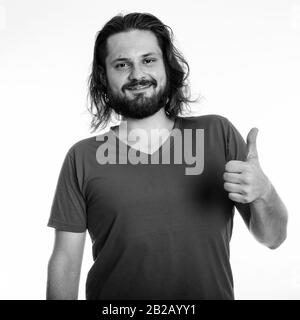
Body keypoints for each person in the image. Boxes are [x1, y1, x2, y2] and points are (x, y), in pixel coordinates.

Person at [46, 12, 288, 300]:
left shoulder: (217, 134)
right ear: (103, 77)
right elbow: (65, 263)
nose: (137, 74)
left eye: (148, 60)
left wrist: (264, 192)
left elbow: (273, 238)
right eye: (122, 64)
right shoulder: (82, 158)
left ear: (167, 66)